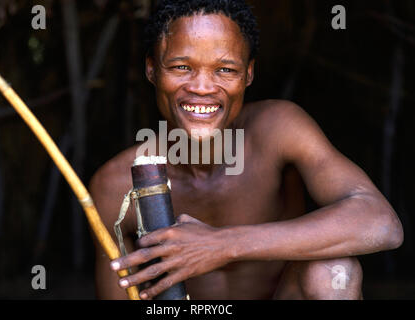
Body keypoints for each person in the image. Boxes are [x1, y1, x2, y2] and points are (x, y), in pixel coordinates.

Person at [89, 0, 403, 300]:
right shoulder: (116, 186)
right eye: (182, 67)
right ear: (151, 69)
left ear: (248, 74)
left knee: (334, 271)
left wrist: (222, 244)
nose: (202, 87)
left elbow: (380, 222)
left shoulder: (279, 130)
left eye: (225, 70)